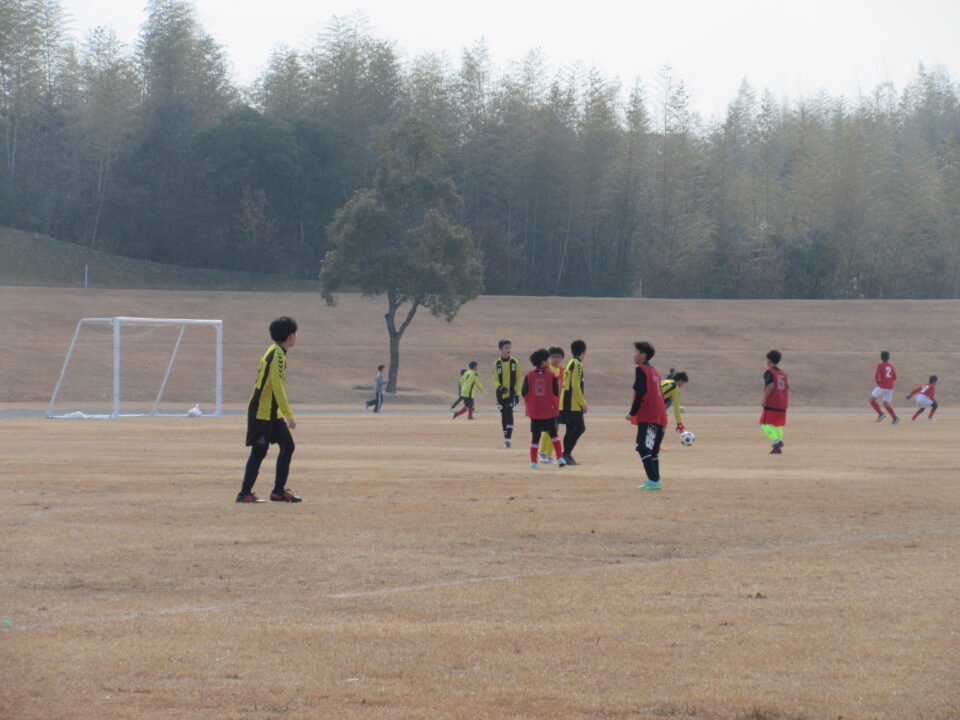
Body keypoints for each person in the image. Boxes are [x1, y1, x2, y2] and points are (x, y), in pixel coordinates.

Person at [237, 316, 301, 503]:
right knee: (259, 451)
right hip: (261, 412)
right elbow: (277, 387)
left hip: (272, 412)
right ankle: (244, 494)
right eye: (295, 333)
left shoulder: (276, 351)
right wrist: (289, 415)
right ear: (290, 336)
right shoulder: (277, 355)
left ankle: (278, 492)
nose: (296, 337)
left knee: (288, 446)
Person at [627, 341, 668, 490]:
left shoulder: (641, 370)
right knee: (653, 450)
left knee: (643, 447)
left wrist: (632, 412)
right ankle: (656, 480)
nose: (633, 355)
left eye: (635, 352)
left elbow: (640, 393)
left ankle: (653, 480)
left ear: (643, 355)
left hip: (649, 414)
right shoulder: (655, 371)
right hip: (658, 414)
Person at [522, 349, 566, 468]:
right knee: (554, 435)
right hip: (549, 411)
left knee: (535, 438)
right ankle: (560, 458)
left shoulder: (528, 375)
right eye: (547, 359)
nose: (549, 361)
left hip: (535, 411)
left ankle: (533, 462)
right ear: (543, 362)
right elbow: (556, 392)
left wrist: (532, 402)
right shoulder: (551, 375)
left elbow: (524, 392)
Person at [559, 339, 587, 465]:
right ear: (584, 351)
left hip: (565, 400)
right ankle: (566, 454)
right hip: (572, 402)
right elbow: (575, 385)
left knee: (570, 429)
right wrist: (582, 402)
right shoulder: (578, 364)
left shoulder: (570, 362)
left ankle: (565, 455)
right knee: (580, 428)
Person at [492, 340, 522, 447]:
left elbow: (518, 379)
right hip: (500, 395)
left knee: (509, 413)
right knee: (503, 415)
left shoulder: (515, 362)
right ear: (501, 350)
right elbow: (494, 379)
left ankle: (508, 438)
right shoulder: (496, 364)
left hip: (511, 394)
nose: (509, 349)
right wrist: (499, 387)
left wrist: (517, 394)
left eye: (509, 347)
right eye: (506, 347)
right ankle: (506, 438)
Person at [538, 347, 565, 463]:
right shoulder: (547, 370)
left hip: (558, 405)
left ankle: (549, 455)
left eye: (558, 356)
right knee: (547, 429)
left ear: (562, 358)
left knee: (555, 430)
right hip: (548, 404)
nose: (556, 359)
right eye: (554, 356)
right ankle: (542, 453)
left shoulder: (563, 371)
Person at [761, 349, 789, 454]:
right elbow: (786, 387)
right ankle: (778, 448)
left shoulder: (769, 372)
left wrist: (765, 398)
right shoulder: (783, 374)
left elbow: (771, 385)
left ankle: (777, 441)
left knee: (763, 423)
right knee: (777, 425)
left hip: (773, 402)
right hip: (782, 403)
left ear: (769, 360)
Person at [870, 350, 899, 424]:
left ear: (881, 357)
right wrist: (889, 381)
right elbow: (895, 377)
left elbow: (876, 375)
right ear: (888, 357)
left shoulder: (880, 365)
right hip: (890, 388)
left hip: (882, 386)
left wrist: (878, 382)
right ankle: (895, 418)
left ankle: (881, 414)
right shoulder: (891, 366)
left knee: (872, 400)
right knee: (886, 404)